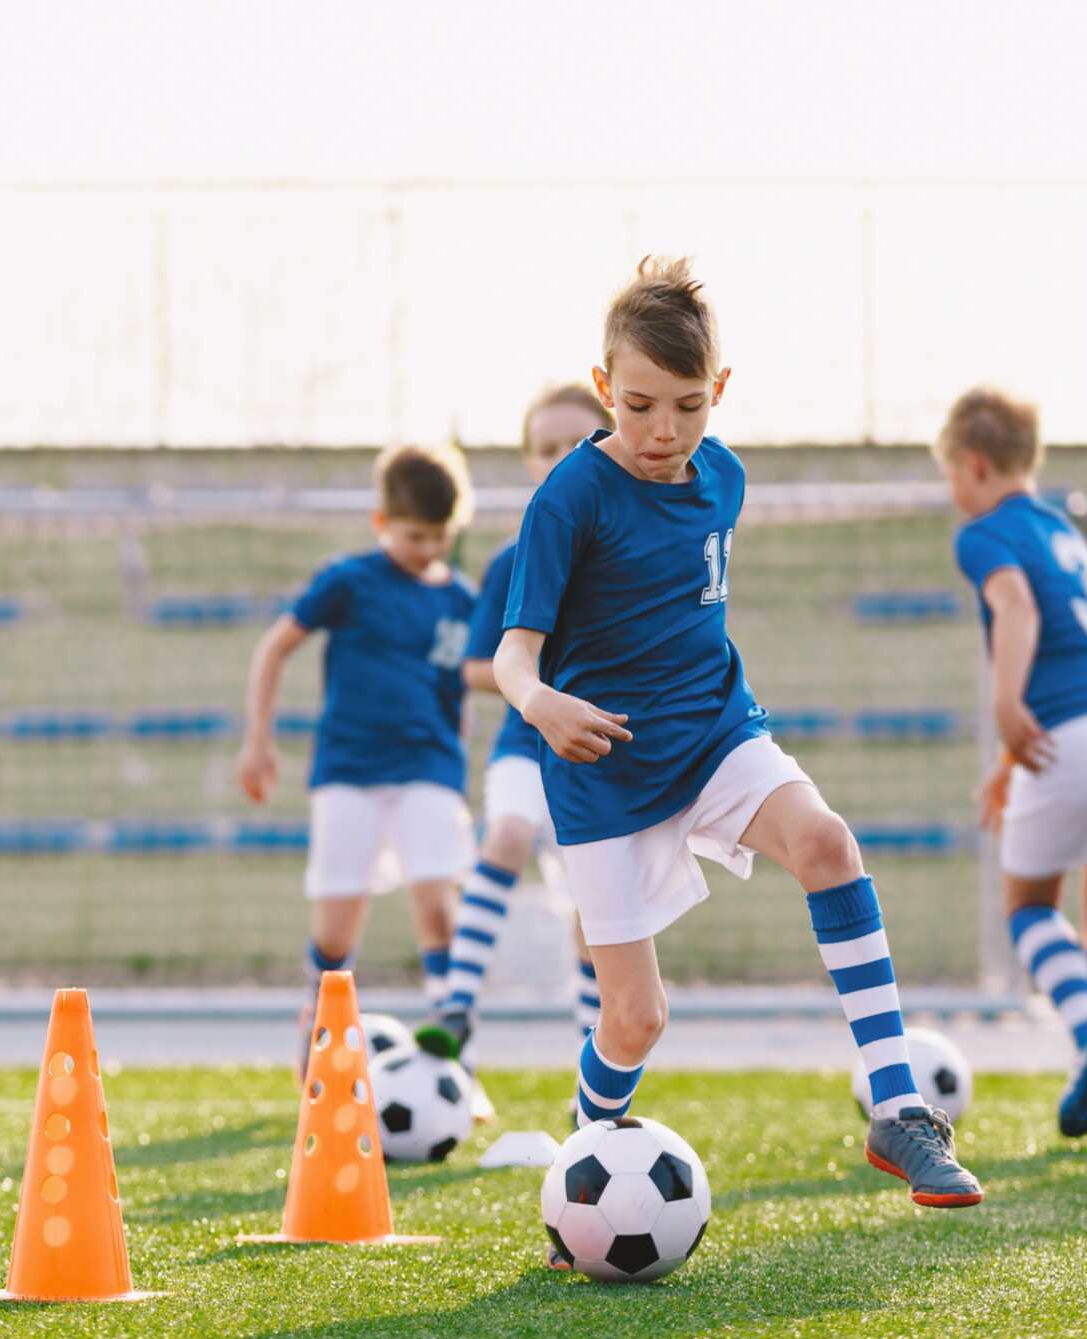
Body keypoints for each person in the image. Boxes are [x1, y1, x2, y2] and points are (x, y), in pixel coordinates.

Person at [492, 257, 984, 1209]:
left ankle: (898, 1109)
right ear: (604, 389)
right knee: (635, 1020)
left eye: (687, 406)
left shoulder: (725, 478)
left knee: (827, 840)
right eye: (638, 406)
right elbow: (517, 655)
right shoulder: (568, 496)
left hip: (717, 732)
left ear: (719, 392)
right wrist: (542, 703)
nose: (663, 431)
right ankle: (582, 1175)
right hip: (602, 773)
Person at [940, 386, 1087, 1149]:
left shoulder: (984, 531)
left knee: (1031, 907)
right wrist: (1014, 756)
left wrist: (1007, 706)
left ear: (972, 465)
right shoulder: (1060, 528)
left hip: (1070, 733)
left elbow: (1019, 610)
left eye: (950, 473)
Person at [237, 444, 479, 1067]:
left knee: (438, 907)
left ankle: (452, 1056)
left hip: (428, 765)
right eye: (414, 535)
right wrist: (257, 741)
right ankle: (315, 1038)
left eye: (440, 536)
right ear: (381, 524)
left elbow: (463, 688)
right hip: (349, 769)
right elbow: (274, 649)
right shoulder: (349, 581)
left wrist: (458, 760)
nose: (427, 548)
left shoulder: (462, 600)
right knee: (338, 930)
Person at [417, 384, 610, 1069]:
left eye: (577, 443)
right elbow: (475, 665)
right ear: (530, 462)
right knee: (506, 833)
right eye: (546, 448)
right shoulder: (514, 557)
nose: (562, 458)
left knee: (595, 905)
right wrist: (533, 682)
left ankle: (596, 1052)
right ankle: (457, 1005)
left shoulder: (626, 554)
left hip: (598, 760)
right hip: (526, 748)